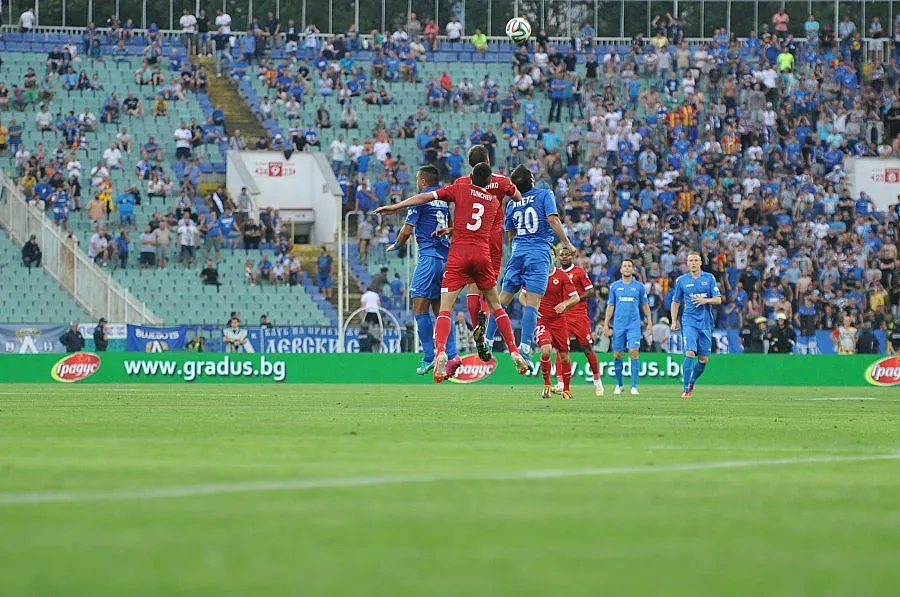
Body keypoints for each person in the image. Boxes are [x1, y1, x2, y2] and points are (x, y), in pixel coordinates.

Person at [376, 163, 530, 382]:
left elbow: (422, 199)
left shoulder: (460, 189)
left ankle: (438, 353)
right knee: (496, 305)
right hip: (482, 256)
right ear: (489, 182)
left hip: (456, 255)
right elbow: (479, 223)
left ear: (470, 177)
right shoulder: (494, 203)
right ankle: (514, 349)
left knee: (444, 310)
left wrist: (394, 207)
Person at [481, 164, 574, 364]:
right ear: (532, 179)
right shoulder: (544, 195)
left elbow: (509, 232)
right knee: (532, 304)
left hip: (518, 252)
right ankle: (524, 348)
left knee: (501, 300)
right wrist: (567, 243)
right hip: (539, 252)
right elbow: (553, 220)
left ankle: (487, 340)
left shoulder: (512, 203)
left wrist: (519, 244)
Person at [386, 164, 460, 377]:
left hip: (429, 258)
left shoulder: (420, 199)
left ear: (424, 181)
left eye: (418, 179)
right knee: (441, 311)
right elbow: (453, 227)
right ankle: (452, 354)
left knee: (419, 307)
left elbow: (407, 230)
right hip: (446, 259)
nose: (417, 182)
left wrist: (397, 245)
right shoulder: (445, 200)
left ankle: (429, 356)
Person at [454, 145, 522, 347]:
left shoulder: (462, 183)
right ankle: (484, 318)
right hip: (491, 238)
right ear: (488, 161)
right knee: (489, 285)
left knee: (472, 284)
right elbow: (517, 197)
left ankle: (477, 329)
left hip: (469, 238)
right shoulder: (500, 181)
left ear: (470, 164)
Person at [525, 251, 581, 400]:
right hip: (543, 321)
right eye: (545, 254)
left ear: (554, 258)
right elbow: (522, 297)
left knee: (564, 357)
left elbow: (575, 298)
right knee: (546, 350)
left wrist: (565, 304)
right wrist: (531, 309)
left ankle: (567, 390)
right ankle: (547, 385)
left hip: (559, 322)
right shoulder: (535, 275)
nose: (548, 257)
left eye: (551, 255)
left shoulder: (562, 276)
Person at [670, 252, 722, 399]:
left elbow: (718, 299)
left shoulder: (709, 278)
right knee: (690, 352)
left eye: (695, 260)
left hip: (705, 323)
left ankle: (692, 381)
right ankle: (686, 389)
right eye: (690, 260)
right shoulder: (681, 281)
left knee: (703, 360)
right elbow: (676, 302)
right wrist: (674, 321)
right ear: (687, 264)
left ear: (700, 263)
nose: (693, 263)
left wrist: (706, 301)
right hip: (689, 321)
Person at [556, 247, 604, 395]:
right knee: (561, 349)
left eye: (567, 255)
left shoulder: (580, 272)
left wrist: (572, 300)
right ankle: (560, 383)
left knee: (587, 348)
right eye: (561, 255)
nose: (564, 257)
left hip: (579, 316)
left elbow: (590, 291)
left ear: (572, 256)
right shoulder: (556, 273)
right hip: (562, 316)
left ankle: (597, 382)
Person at [603, 259, 652, 395]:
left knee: (633, 352)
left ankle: (634, 386)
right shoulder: (614, 287)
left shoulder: (639, 287)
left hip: (634, 326)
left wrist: (650, 322)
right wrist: (606, 324)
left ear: (633, 269)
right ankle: (619, 385)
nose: (627, 268)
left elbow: (645, 305)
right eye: (624, 266)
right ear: (621, 269)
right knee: (618, 354)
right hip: (618, 326)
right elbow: (610, 306)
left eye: (629, 266)